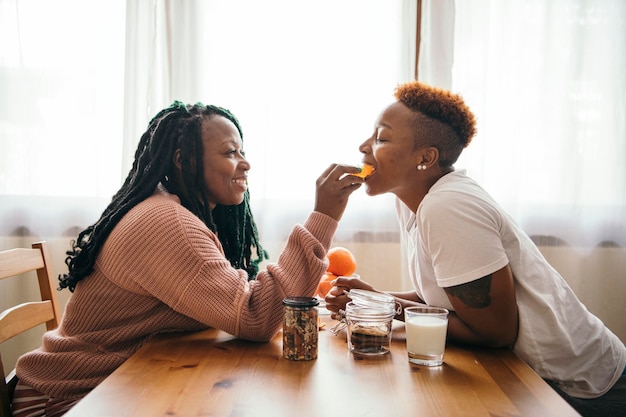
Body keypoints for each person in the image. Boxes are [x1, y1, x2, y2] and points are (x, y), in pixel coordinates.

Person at [12, 101, 365, 416]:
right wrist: (324, 216)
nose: (246, 163)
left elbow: (236, 304)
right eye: (230, 153)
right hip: (67, 399)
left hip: (115, 382)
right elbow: (256, 317)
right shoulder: (166, 223)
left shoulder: (178, 213)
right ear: (185, 160)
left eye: (242, 151)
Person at [324, 80, 626, 417]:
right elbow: (448, 297)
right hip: (535, 379)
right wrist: (374, 298)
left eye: (381, 137)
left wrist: (384, 305)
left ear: (425, 158)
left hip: (581, 388)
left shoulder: (447, 206)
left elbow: (495, 332)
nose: (364, 146)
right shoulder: (415, 201)